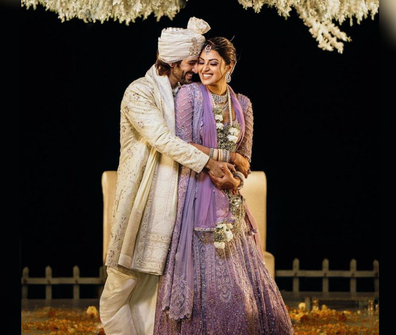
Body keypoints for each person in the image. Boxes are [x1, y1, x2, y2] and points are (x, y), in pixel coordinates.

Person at [99, 18, 236, 335]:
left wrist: (228, 157)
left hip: (175, 201)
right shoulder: (140, 92)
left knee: (154, 286)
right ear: (173, 60)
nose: (195, 69)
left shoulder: (185, 95)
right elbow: (161, 138)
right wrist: (209, 164)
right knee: (123, 279)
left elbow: (200, 136)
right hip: (140, 199)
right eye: (192, 62)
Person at [154, 37, 295, 334]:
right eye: (202, 62)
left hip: (229, 200)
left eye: (213, 63)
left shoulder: (243, 104)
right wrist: (224, 156)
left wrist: (236, 180)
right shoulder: (189, 95)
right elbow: (181, 143)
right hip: (193, 193)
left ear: (229, 66)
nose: (204, 68)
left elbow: (245, 160)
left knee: (243, 295)